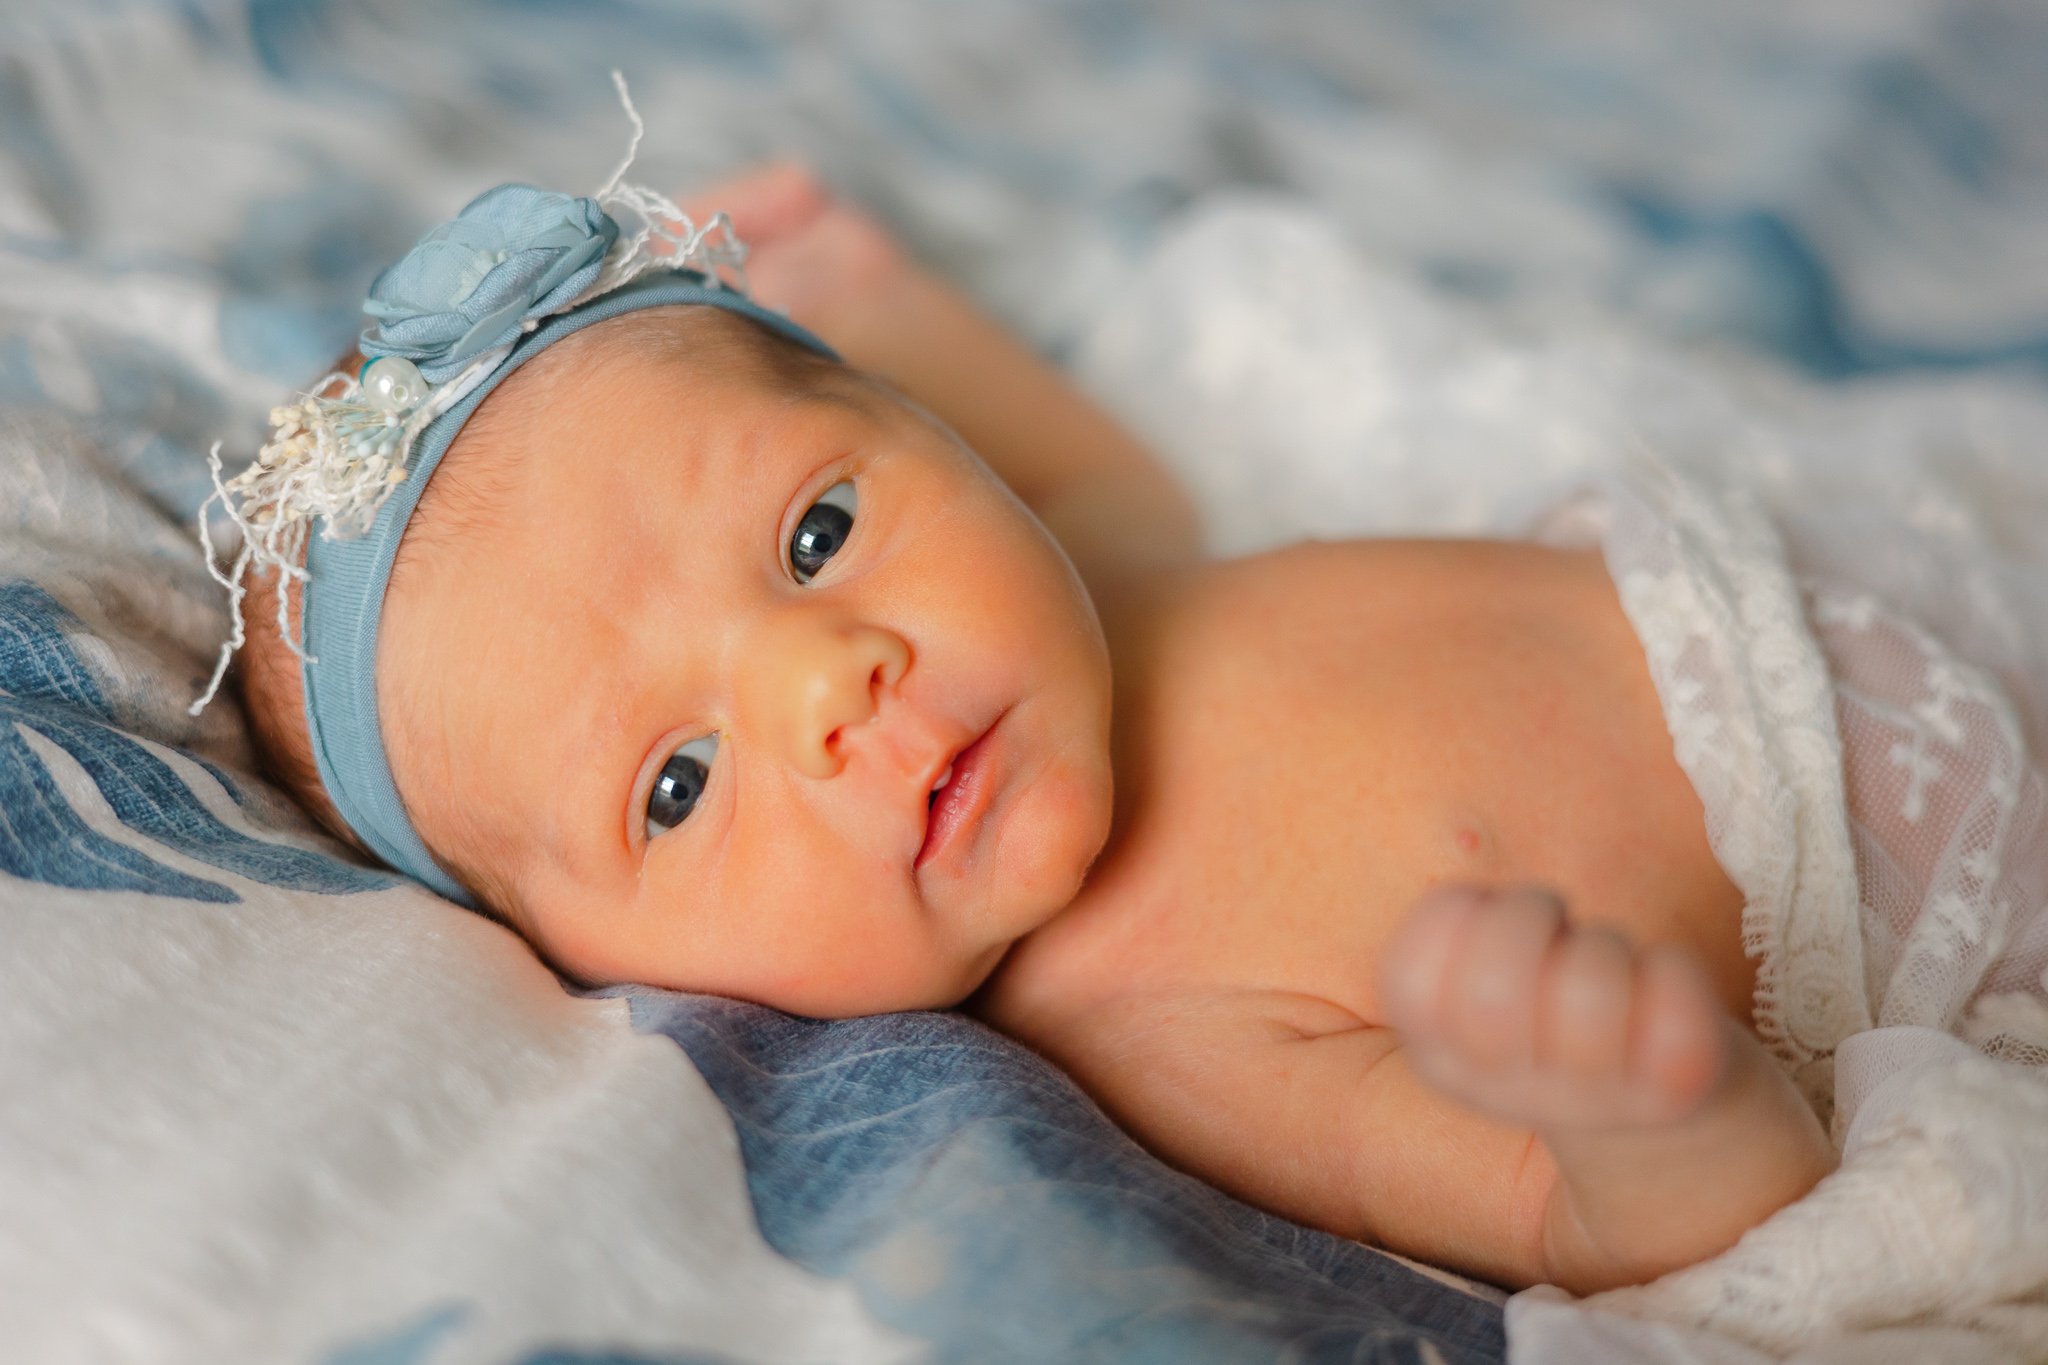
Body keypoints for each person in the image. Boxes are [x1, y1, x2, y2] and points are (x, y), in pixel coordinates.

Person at [221, 157, 2039, 1300]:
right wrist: (1642, 1101)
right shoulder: (1159, 1030)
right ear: (587, 962)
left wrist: (886, 293)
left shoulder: (1076, 582)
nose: (825, 678)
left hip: (1890, 563)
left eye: (816, 532)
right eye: (675, 786)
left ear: (931, 440)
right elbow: (1605, 1224)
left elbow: (1094, 466)